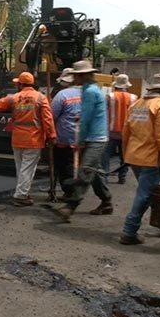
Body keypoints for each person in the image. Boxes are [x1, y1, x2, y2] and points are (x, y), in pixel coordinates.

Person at [0, 72, 56, 206]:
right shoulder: (41, 98)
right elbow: (48, 119)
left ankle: (23, 192)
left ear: (21, 84)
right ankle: (21, 196)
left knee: (21, 168)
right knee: (28, 169)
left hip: (18, 139)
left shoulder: (14, 98)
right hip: (33, 140)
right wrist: (52, 136)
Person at [119, 73, 160, 245]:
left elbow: (126, 133)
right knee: (145, 195)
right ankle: (129, 231)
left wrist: (127, 155)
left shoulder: (136, 104)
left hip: (135, 156)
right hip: (152, 159)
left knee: (148, 193)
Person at [54, 60, 113, 221]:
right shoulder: (90, 89)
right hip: (96, 135)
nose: (75, 79)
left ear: (85, 75)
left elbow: (86, 119)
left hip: (95, 138)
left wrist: (79, 140)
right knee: (95, 171)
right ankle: (106, 201)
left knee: (85, 170)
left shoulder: (90, 92)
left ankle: (71, 205)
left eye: (77, 76)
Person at [50, 69, 81, 200]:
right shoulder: (86, 93)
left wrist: (50, 134)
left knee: (64, 165)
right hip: (82, 136)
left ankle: (70, 192)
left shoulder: (62, 95)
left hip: (65, 137)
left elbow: (51, 116)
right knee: (77, 165)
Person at [102, 74, 137, 185]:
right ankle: (122, 177)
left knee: (106, 156)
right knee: (125, 157)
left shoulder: (109, 96)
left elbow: (102, 112)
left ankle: (105, 176)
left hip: (110, 132)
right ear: (126, 85)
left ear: (115, 85)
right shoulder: (134, 98)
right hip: (127, 133)